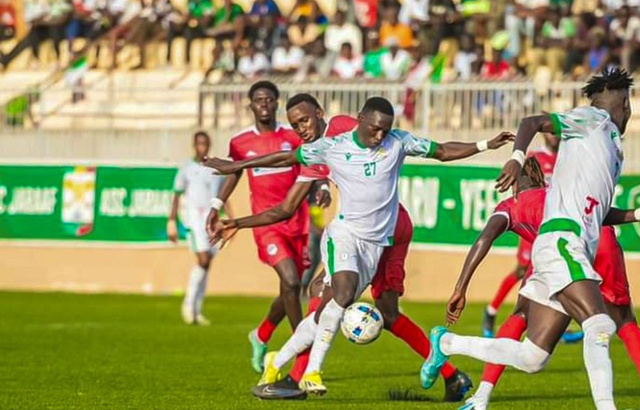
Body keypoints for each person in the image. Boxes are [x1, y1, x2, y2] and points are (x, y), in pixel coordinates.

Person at [205, 96, 515, 398]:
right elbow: (288, 202)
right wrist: (238, 192)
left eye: (305, 120)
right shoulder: (323, 151)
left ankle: (298, 374)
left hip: (391, 231)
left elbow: (439, 150)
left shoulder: (353, 129)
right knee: (323, 292)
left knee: (381, 311)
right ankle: (299, 373)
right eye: (295, 125)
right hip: (351, 232)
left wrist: (485, 144)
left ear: (321, 113)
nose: (301, 129)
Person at [421, 68, 638, 410]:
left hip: (568, 245)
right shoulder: (591, 119)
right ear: (625, 103)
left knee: (533, 356)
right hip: (564, 242)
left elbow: (599, 211)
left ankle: (446, 343)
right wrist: (516, 158)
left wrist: (639, 214)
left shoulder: (607, 144)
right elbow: (532, 122)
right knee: (599, 325)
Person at [454, 155, 640, 410]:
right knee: (624, 322)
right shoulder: (559, 193)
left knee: (522, 317)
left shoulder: (510, 205)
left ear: (513, 183)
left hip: (562, 249)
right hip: (602, 243)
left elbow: (485, 238)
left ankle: (481, 396)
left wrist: (460, 287)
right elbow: (599, 212)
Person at [204, 81, 326, 374]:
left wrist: (322, 188)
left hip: (298, 221)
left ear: (276, 103)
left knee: (289, 288)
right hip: (266, 224)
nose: (264, 104)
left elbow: (314, 165)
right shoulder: (240, 142)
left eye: (269, 99)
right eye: (258, 100)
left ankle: (261, 334)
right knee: (293, 281)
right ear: (251, 105)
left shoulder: (292, 134)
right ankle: (303, 352)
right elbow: (234, 173)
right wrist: (215, 204)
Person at [482, 132, 560, 338]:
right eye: (551, 133)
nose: (555, 137)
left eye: (558, 133)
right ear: (544, 134)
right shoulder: (534, 158)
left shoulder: (567, 158)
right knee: (523, 269)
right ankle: (492, 310)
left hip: (556, 223)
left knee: (552, 269)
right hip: (535, 222)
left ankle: (553, 324)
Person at [168, 131, 229, 325]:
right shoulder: (186, 168)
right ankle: (188, 305)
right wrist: (171, 221)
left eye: (205, 143)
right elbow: (177, 195)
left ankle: (196, 309)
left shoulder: (214, 169)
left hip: (211, 219)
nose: (202, 147)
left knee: (207, 262)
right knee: (203, 259)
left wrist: (229, 219)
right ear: (194, 145)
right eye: (199, 144)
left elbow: (223, 196)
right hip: (194, 219)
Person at [166, 0, 214, 66]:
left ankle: (187, 60)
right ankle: (168, 59)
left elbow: (208, 16)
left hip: (200, 25)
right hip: (188, 23)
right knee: (172, 30)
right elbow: (186, 13)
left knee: (188, 32)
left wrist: (195, 19)